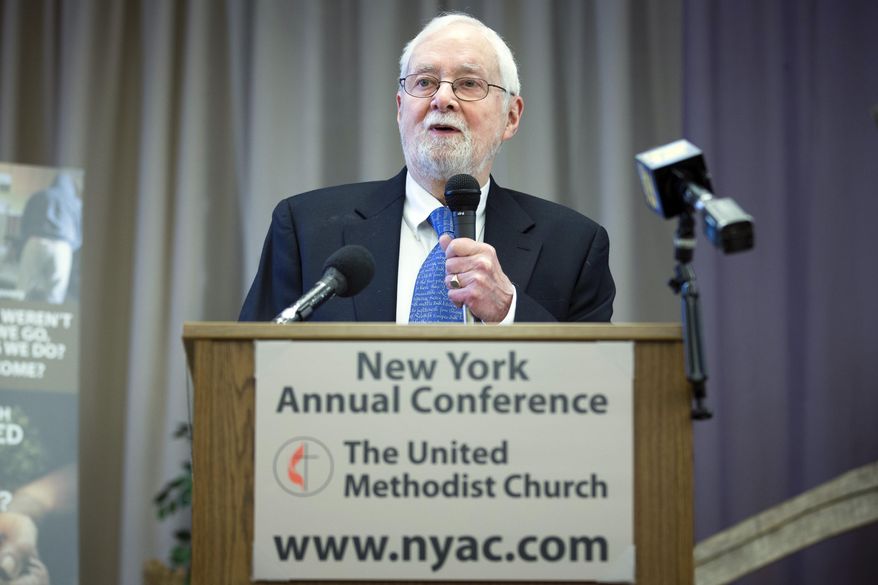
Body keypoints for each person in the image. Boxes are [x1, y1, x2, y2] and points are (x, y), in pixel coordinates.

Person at [239, 13, 615, 323]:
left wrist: (509, 311)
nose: (443, 98)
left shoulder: (575, 246)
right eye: (425, 82)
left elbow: (599, 388)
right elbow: (250, 367)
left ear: (511, 117)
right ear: (400, 108)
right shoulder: (305, 228)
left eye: (468, 83)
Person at [16, 173, 82, 304]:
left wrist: (23, 244)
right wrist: (71, 249)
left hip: (35, 241)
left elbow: (24, 223)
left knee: (23, 288)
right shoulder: (76, 203)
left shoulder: (38, 195)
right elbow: (80, 232)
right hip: (62, 247)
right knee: (55, 293)